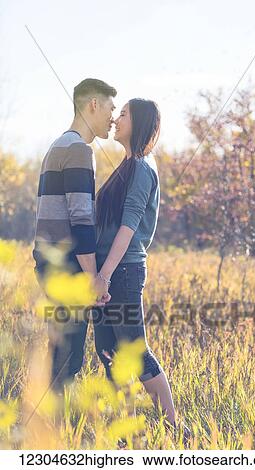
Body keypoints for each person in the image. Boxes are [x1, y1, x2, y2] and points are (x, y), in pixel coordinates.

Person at [94, 98, 181, 434]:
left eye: (124, 114)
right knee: (108, 353)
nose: (116, 118)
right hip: (108, 272)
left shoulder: (143, 168)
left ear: (140, 122)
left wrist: (104, 276)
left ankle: (175, 429)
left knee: (134, 351)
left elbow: (128, 228)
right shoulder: (126, 166)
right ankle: (121, 431)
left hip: (123, 272)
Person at [32, 78, 116, 391]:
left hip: (48, 261)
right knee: (68, 357)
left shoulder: (57, 146)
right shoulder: (80, 150)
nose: (112, 115)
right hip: (66, 266)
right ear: (93, 104)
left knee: (60, 351)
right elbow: (80, 217)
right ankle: (49, 432)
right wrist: (93, 276)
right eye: (110, 107)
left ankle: (44, 427)